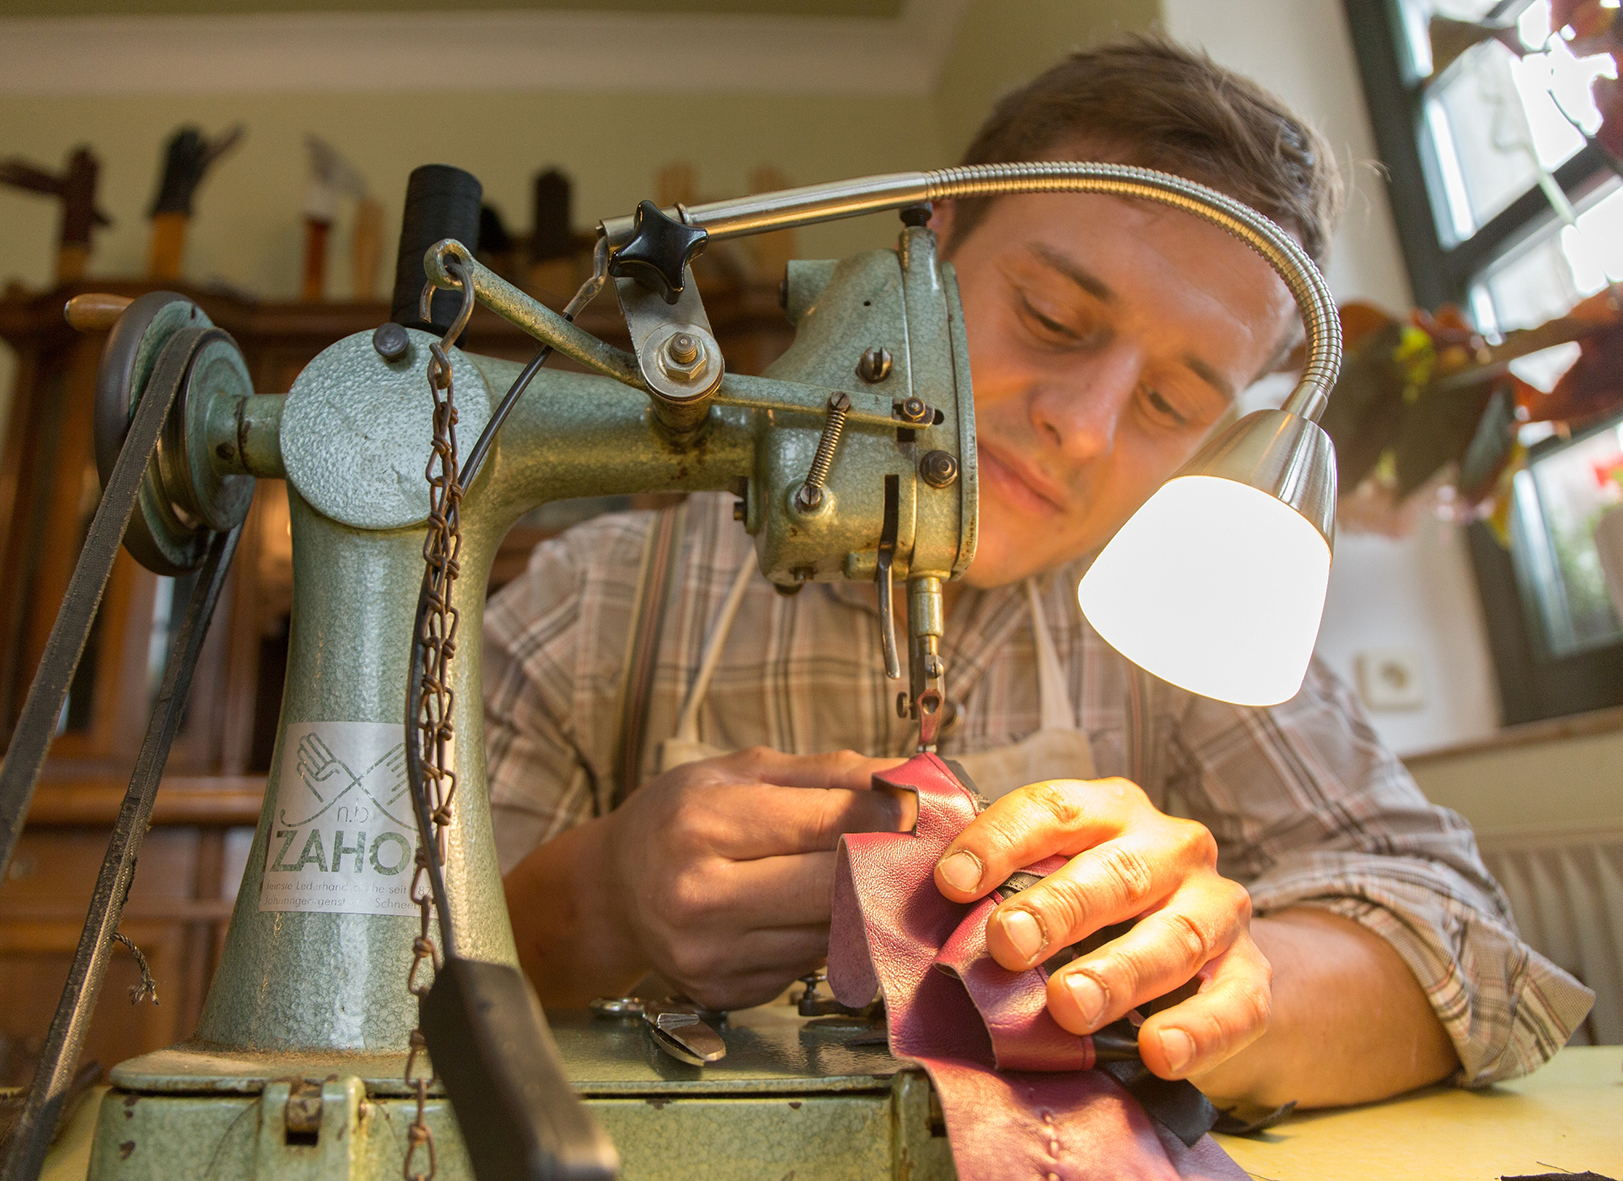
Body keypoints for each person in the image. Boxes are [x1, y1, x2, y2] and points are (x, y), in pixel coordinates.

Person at [483, 35, 1594, 1113]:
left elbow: (1465, 941)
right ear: (932, 251)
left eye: (1169, 404)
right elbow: (370, 962)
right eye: (1051, 317)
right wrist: (601, 897)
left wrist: (1223, 984)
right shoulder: (600, 603)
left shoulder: (1180, 616)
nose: (1080, 424)